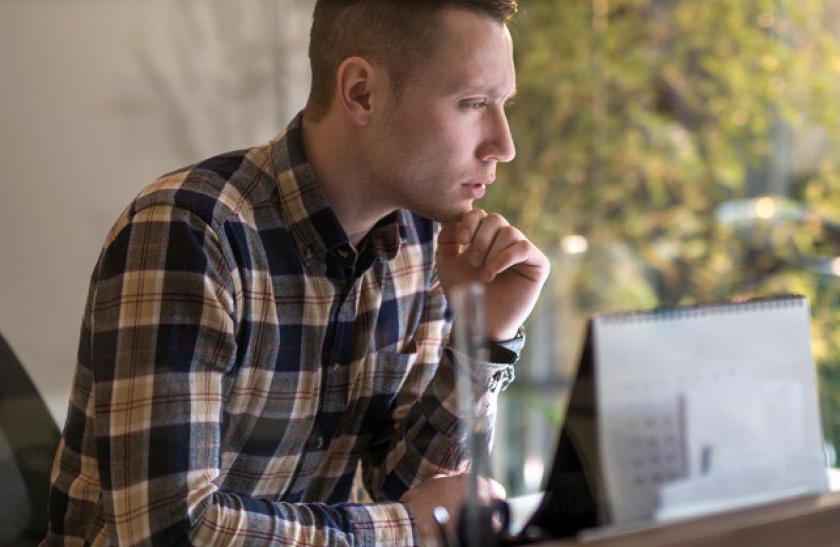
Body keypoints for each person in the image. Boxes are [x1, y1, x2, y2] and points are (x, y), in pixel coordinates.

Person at [41, 1, 544, 545]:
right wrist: (407, 529)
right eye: (473, 104)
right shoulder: (191, 231)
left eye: (504, 105)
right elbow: (165, 530)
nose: (505, 146)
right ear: (361, 93)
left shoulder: (422, 245)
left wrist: (481, 339)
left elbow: (416, 489)